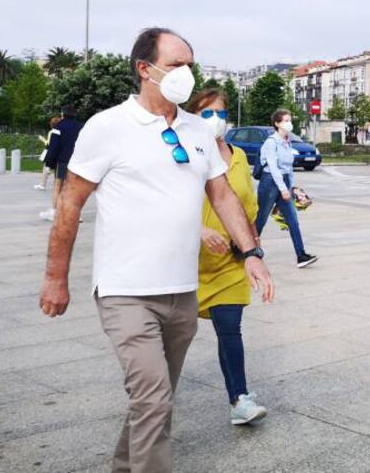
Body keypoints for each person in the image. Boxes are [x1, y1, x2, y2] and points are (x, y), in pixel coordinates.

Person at [38, 27, 275, 473]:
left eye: (190, 63)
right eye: (176, 64)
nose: (186, 72)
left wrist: (252, 254)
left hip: (182, 293)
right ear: (144, 69)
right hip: (125, 291)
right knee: (152, 398)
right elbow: (70, 203)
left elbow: (221, 195)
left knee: (155, 401)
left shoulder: (197, 130)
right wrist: (55, 278)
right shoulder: (107, 127)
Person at [185, 88, 269, 426]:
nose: (216, 120)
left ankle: (239, 399)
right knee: (168, 336)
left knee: (230, 330)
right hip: (186, 262)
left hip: (230, 263)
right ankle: (151, 397)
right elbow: (167, 203)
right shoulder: (184, 153)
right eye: (207, 114)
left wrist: (252, 248)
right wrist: (198, 230)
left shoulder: (238, 157)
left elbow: (246, 205)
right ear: (193, 118)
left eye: (220, 113)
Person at [255, 110, 317, 268]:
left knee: (292, 220)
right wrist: (283, 189)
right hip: (269, 182)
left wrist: (290, 187)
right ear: (277, 124)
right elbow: (273, 168)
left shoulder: (287, 142)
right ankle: (248, 250)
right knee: (261, 219)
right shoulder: (271, 142)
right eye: (286, 120)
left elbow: (288, 168)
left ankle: (301, 255)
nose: (289, 123)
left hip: (283, 183)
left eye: (290, 120)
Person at [40, 107, 83, 221]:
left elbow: (54, 147)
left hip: (63, 160)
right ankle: (76, 214)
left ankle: (55, 212)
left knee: (58, 185)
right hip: (77, 161)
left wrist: (49, 163)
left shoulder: (58, 127)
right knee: (74, 187)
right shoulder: (81, 126)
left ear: (63, 114)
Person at [35, 116, 62, 191]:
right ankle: (57, 186)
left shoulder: (52, 132)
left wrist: (42, 139)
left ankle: (42, 185)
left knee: (46, 168)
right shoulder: (61, 132)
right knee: (57, 170)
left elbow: (48, 144)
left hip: (50, 152)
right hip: (59, 153)